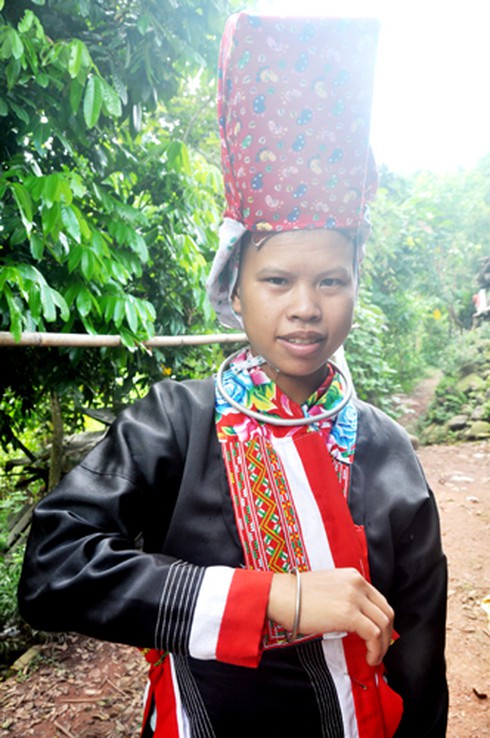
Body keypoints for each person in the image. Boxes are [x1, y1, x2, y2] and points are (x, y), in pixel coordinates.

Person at [18, 12, 448, 738]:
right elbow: (54, 568)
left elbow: (421, 658)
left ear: (355, 289)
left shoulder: (388, 452)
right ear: (233, 292)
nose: (305, 307)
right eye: (276, 280)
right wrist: (274, 596)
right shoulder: (174, 424)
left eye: (332, 281)